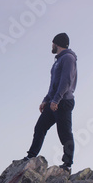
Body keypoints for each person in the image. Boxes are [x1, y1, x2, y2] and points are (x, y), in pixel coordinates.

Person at [24, 33, 77, 172]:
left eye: (52, 43)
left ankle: (67, 165)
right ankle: (30, 157)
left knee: (64, 133)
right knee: (40, 128)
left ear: (56, 43)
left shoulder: (68, 58)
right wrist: (46, 100)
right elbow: (53, 84)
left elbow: (66, 81)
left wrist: (57, 100)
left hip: (63, 102)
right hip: (53, 102)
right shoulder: (57, 62)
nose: (51, 46)